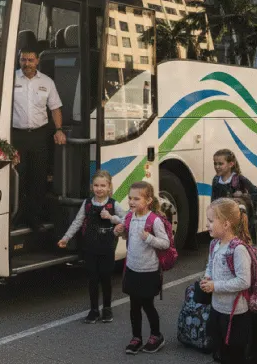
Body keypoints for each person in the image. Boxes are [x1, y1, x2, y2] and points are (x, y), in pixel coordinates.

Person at [58, 170, 125, 324]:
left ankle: (107, 308)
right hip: (90, 245)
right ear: (91, 187)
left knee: (106, 277)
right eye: (96, 185)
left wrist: (110, 217)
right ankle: (94, 309)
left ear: (109, 187)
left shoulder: (113, 204)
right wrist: (66, 238)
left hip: (107, 246)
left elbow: (125, 220)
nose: (99, 188)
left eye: (103, 185)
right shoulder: (87, 203)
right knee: (92, 278)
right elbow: (78, 221)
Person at [12, 48, 66, 231]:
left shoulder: (46, 82)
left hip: (39, 135)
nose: (26, 63)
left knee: (38, 178)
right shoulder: (10, 80)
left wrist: (58, 130)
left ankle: (34, 219)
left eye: (30, 60)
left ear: (37, 61)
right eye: (23, 60)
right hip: (16, 135)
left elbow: (55, 108)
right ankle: (16, 216)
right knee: (18, 177)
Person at [113, 182, 169, 355]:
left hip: (149, 271)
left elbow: (165, 243)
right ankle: (136, 337)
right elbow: (125, 234)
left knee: (147, 305)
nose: (132, 202)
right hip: (132, 268)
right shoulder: (130, 217)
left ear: (149, 200)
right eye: (130, 198)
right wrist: (119, 231)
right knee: (134, 306)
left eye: (137, 199)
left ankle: (156, 335)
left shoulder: (154, 220)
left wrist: (149, 238)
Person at [200, 198, 253, 364]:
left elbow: (244, 281)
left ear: (226, 224)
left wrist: (215, 285)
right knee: (220, 348)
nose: (207, 225)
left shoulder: (238, 249)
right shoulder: (214, 244)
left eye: (210, 221)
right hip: (217, 308)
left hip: (234, 313)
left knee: (234, 354)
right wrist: (207, 277)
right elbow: (210, 264)